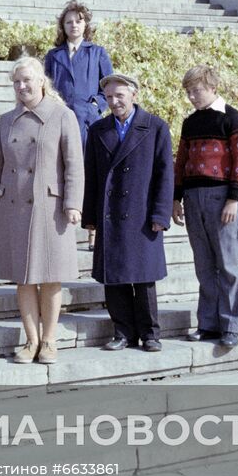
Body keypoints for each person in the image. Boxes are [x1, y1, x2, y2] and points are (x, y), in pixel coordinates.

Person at [0, 57, 82, 366]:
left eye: (26, 81)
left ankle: (49, 340)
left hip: (50, 208)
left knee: (50, 278)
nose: (21, 87)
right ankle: (30, 340)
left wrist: (73, 203)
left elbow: (74, 164)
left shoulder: (62, 115)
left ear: (41, 81)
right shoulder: (7, 120)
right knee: (23, 278)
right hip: (15, 207)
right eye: (16, 82)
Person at [82, 73, 174, 353]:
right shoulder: (98, 130)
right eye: (109, 97)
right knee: (114, 277)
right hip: (109, 214)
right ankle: (122, 332)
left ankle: (150, 334)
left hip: (142, 214)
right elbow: (92, 176)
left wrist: (160, 214)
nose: (114, 101)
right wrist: (90, 217)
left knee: (144, 278)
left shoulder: (155, 127)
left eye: (119, 95)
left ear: (134, 95)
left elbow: (164, 174)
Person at [172, 64, 238, 350]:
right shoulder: (190, 122)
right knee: (204, 265)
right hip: (194, 198)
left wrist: (234, 198)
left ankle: (231, 326)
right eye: (189, 92)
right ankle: (207, 323)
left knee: (228, 265)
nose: (192, 96)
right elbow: (180, 161)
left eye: (197, 90)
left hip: (221, 199)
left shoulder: (231, 118)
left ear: (212, 87)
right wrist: (176, 198)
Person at [44, 0, 114, 248]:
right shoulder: (54, 56)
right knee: (61, 170)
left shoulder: (97, 53)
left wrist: (95, 107)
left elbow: (109, 86)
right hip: (60, 120)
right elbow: (46, 87)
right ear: (62, 26)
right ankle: (61, 226)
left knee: (88, 172)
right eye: (69, 21)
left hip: (88, 123)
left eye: (79, 20)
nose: (74, 25)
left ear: (86, 25)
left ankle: (91, 230)